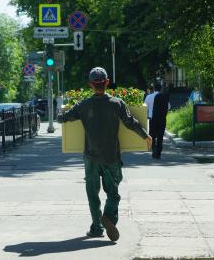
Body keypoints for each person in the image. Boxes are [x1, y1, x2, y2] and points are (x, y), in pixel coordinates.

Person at [58, 67, 152, 241]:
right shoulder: (117, 103)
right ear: (107, 83)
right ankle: (109, 217)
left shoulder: (83, 105)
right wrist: (145, 135)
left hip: (91, 157)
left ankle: (96, 227)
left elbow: (63, 118)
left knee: (92, 194)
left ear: (90, 85)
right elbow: (130, 122)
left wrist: (59, 111)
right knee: (113, 193)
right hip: (111, 157)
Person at [144, 83, 170, 159]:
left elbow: (145, 107)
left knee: (152, 135)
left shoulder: (149, 97)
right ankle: (158, 152)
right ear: (161, 89)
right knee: (160, 136)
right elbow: (168, 107)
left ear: (153, 88)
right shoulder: (164, 97)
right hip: (162, 118)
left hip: (152, 119)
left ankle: (153, 149)